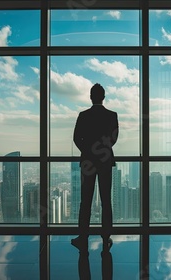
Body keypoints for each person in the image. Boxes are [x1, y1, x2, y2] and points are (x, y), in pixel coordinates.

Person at [71, 83, 119, 252]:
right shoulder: (112, 115)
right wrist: (102, 152)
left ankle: (83, 237)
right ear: (103, 97)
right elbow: (113, 138)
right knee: (106, 200)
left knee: (86, 201)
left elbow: (77, 138)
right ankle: (106, 237)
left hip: (88, 163)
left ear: (91, 97)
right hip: (105, 162)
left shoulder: (83, 116)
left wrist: (89, 152)